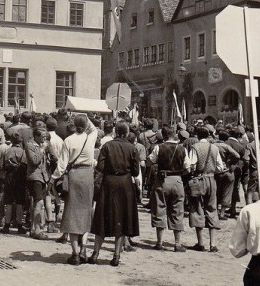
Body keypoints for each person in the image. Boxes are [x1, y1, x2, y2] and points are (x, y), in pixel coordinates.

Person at [89, 121, 140, 266]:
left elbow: (100, 166)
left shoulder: (107, 146)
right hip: (125, 184)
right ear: (126, 132)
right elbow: (136, 172)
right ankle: (116, 255)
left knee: (102, 217)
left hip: (109, 183)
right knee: (121, 219)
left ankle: (95, 253)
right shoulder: (132, 148)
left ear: (115, 132)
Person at [53, 114, 98, 265]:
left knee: (72, 212)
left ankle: (75, 253)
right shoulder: (91, 138)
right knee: (85, 212)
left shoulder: (68, 140)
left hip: (74, 175)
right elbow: (92, 127)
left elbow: (62, 165)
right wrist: (84, 116)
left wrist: (53, 178)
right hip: (87, 175)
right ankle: (84, 248)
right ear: (85, 125)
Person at [149, 126, 189, 252]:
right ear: (175, 134)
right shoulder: (182, 149)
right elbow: (188, 168)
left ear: (164, 135)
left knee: (159, 208)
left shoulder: (158, 147)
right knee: (177, 210)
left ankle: (159, 242)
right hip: (177, 180)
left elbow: (150, 162)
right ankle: (177, 244)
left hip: (162, 180)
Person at [187, 125, 226, 252]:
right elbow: (220, 167)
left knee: (197, 208)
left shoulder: (195, 147)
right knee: (212, 208)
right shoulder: (214, 147)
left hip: (199, 179)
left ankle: (200, 242)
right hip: (211, 179)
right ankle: (213, 243)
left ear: (197, 135)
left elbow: (192, 164)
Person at [25, 127, 52, 240]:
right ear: (36, 136)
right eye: (42, 137)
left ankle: (33, 228)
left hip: (43, 176)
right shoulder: (30, 145)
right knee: (39, 203)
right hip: (35, 176)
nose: (45, 139)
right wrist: (42, 150)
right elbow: (34, 160)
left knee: (37, 203)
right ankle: (37, 229)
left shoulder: (43, 144)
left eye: (45, 137)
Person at [0, 133, 27, 234]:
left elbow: (2, 165)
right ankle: (19, 225)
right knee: (19, 202)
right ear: (20, 141)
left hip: (9, 176)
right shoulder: (23, 152)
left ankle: (7, 225)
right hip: (20, 176)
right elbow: (25, 164)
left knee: (9, 202)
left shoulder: (7, 151)